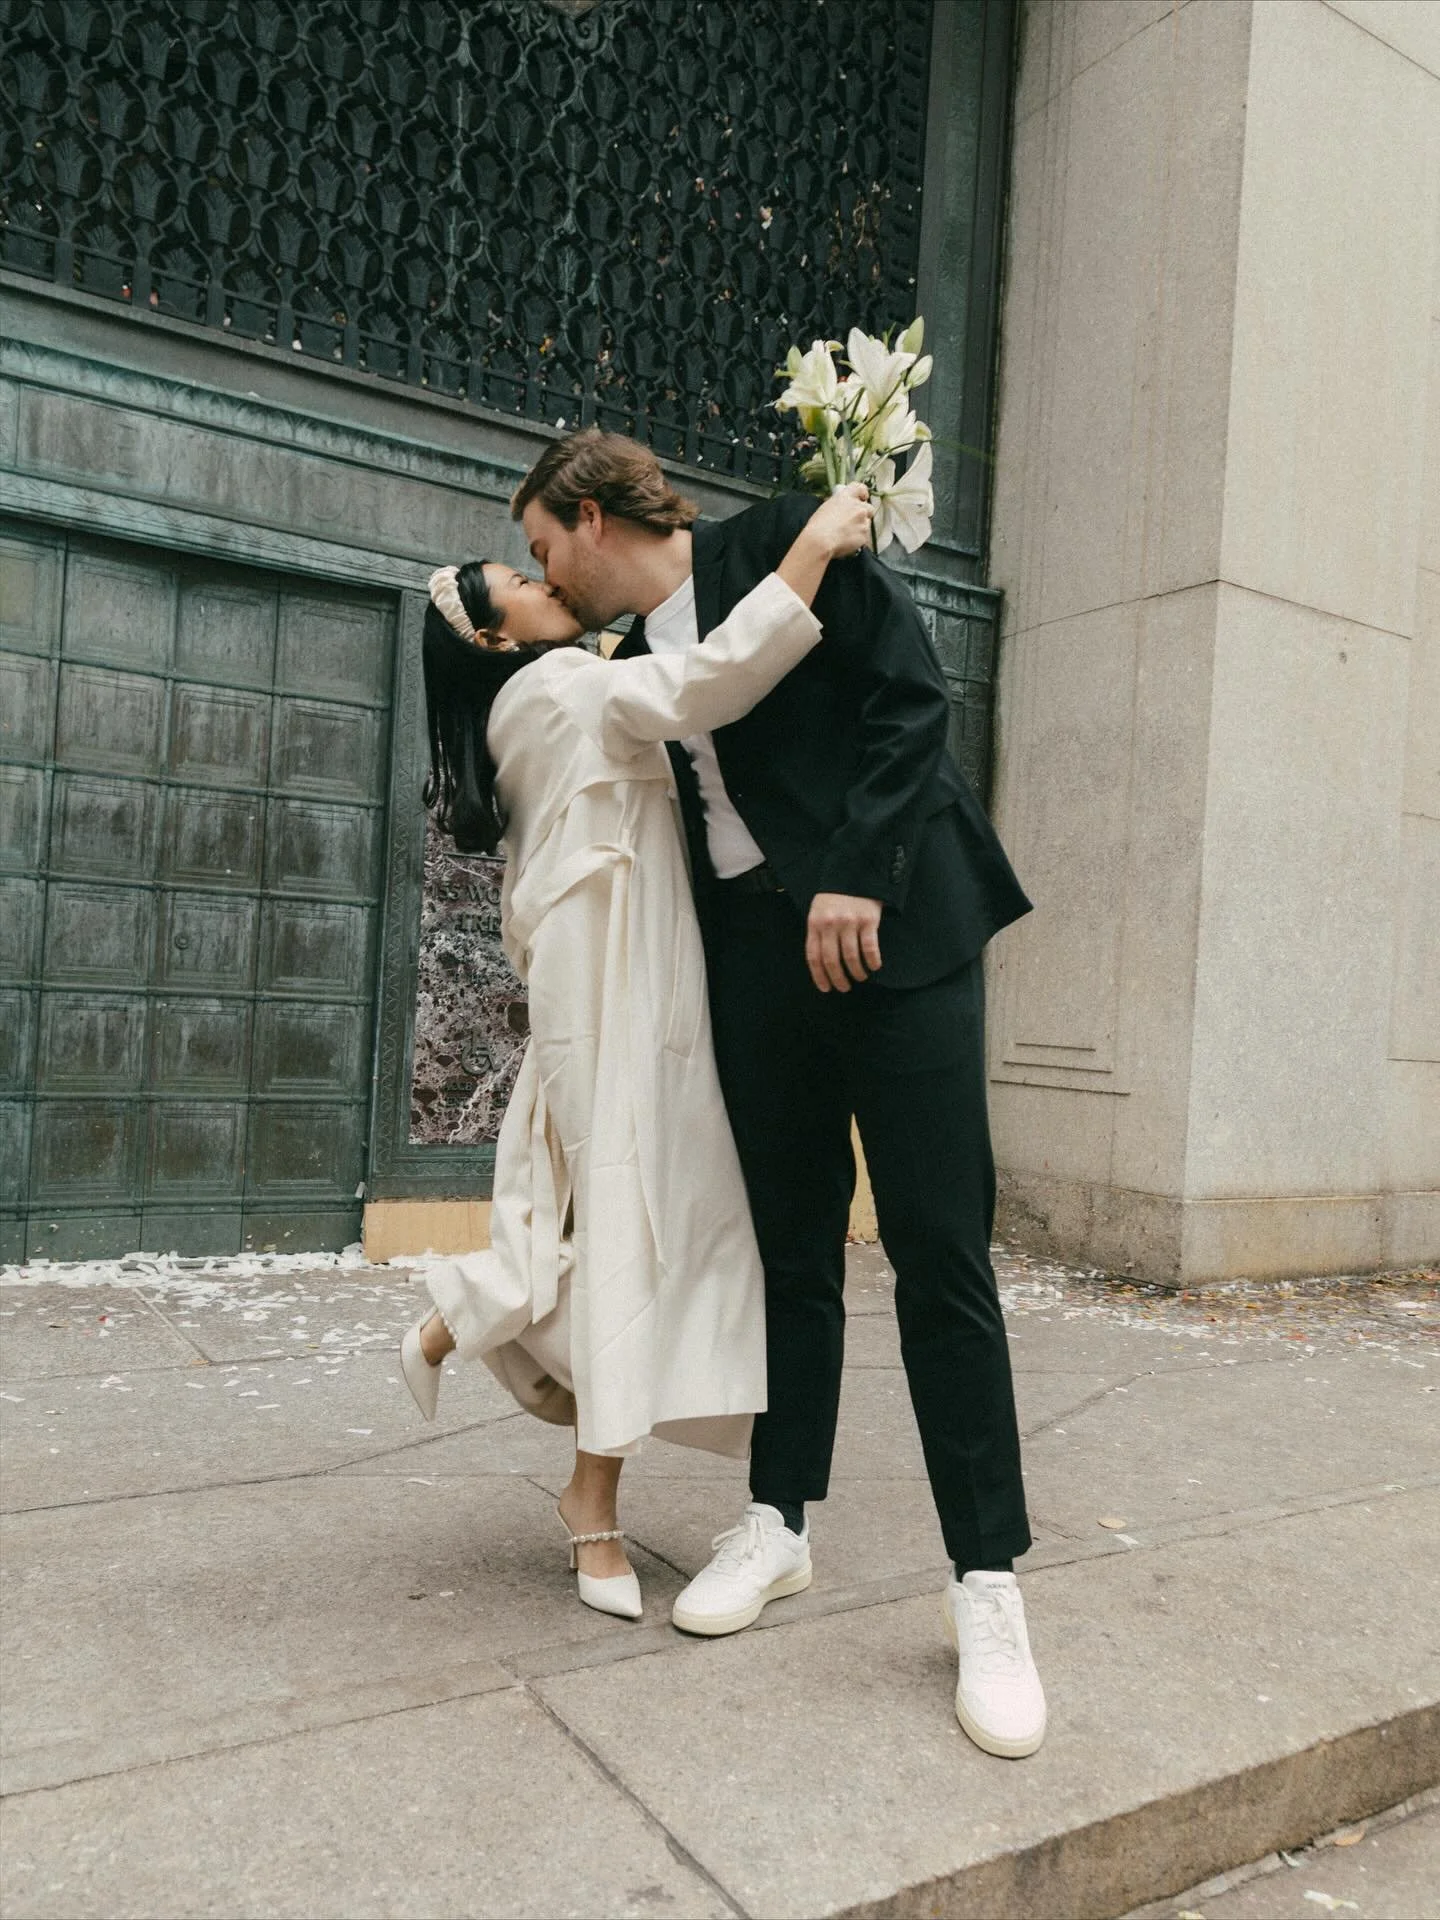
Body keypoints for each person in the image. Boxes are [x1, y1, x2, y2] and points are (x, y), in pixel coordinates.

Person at [514, 429, 1046, 1759]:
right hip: (758, 965)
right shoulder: (624, 662)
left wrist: (859, 871)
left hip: (900, 931)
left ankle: (988, 1588)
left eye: (537, 547)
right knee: (790, 1256)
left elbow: (914, 706)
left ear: (588, 513)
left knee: (938, 1259)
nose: (540, 574)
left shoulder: (793, 536)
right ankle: (779, 1521)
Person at [399, 479, 876, 1625]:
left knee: (635, 1219)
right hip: (610, 983)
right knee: (620, 1217)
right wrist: (809, 550)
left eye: (539, 553)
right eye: (522, 574)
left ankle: (497, 1345)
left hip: (635, 974)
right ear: (490, 633)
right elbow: (705, 683)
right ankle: (582, 1488)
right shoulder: (560, 690)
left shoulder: (560, 682)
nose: (546, 575)